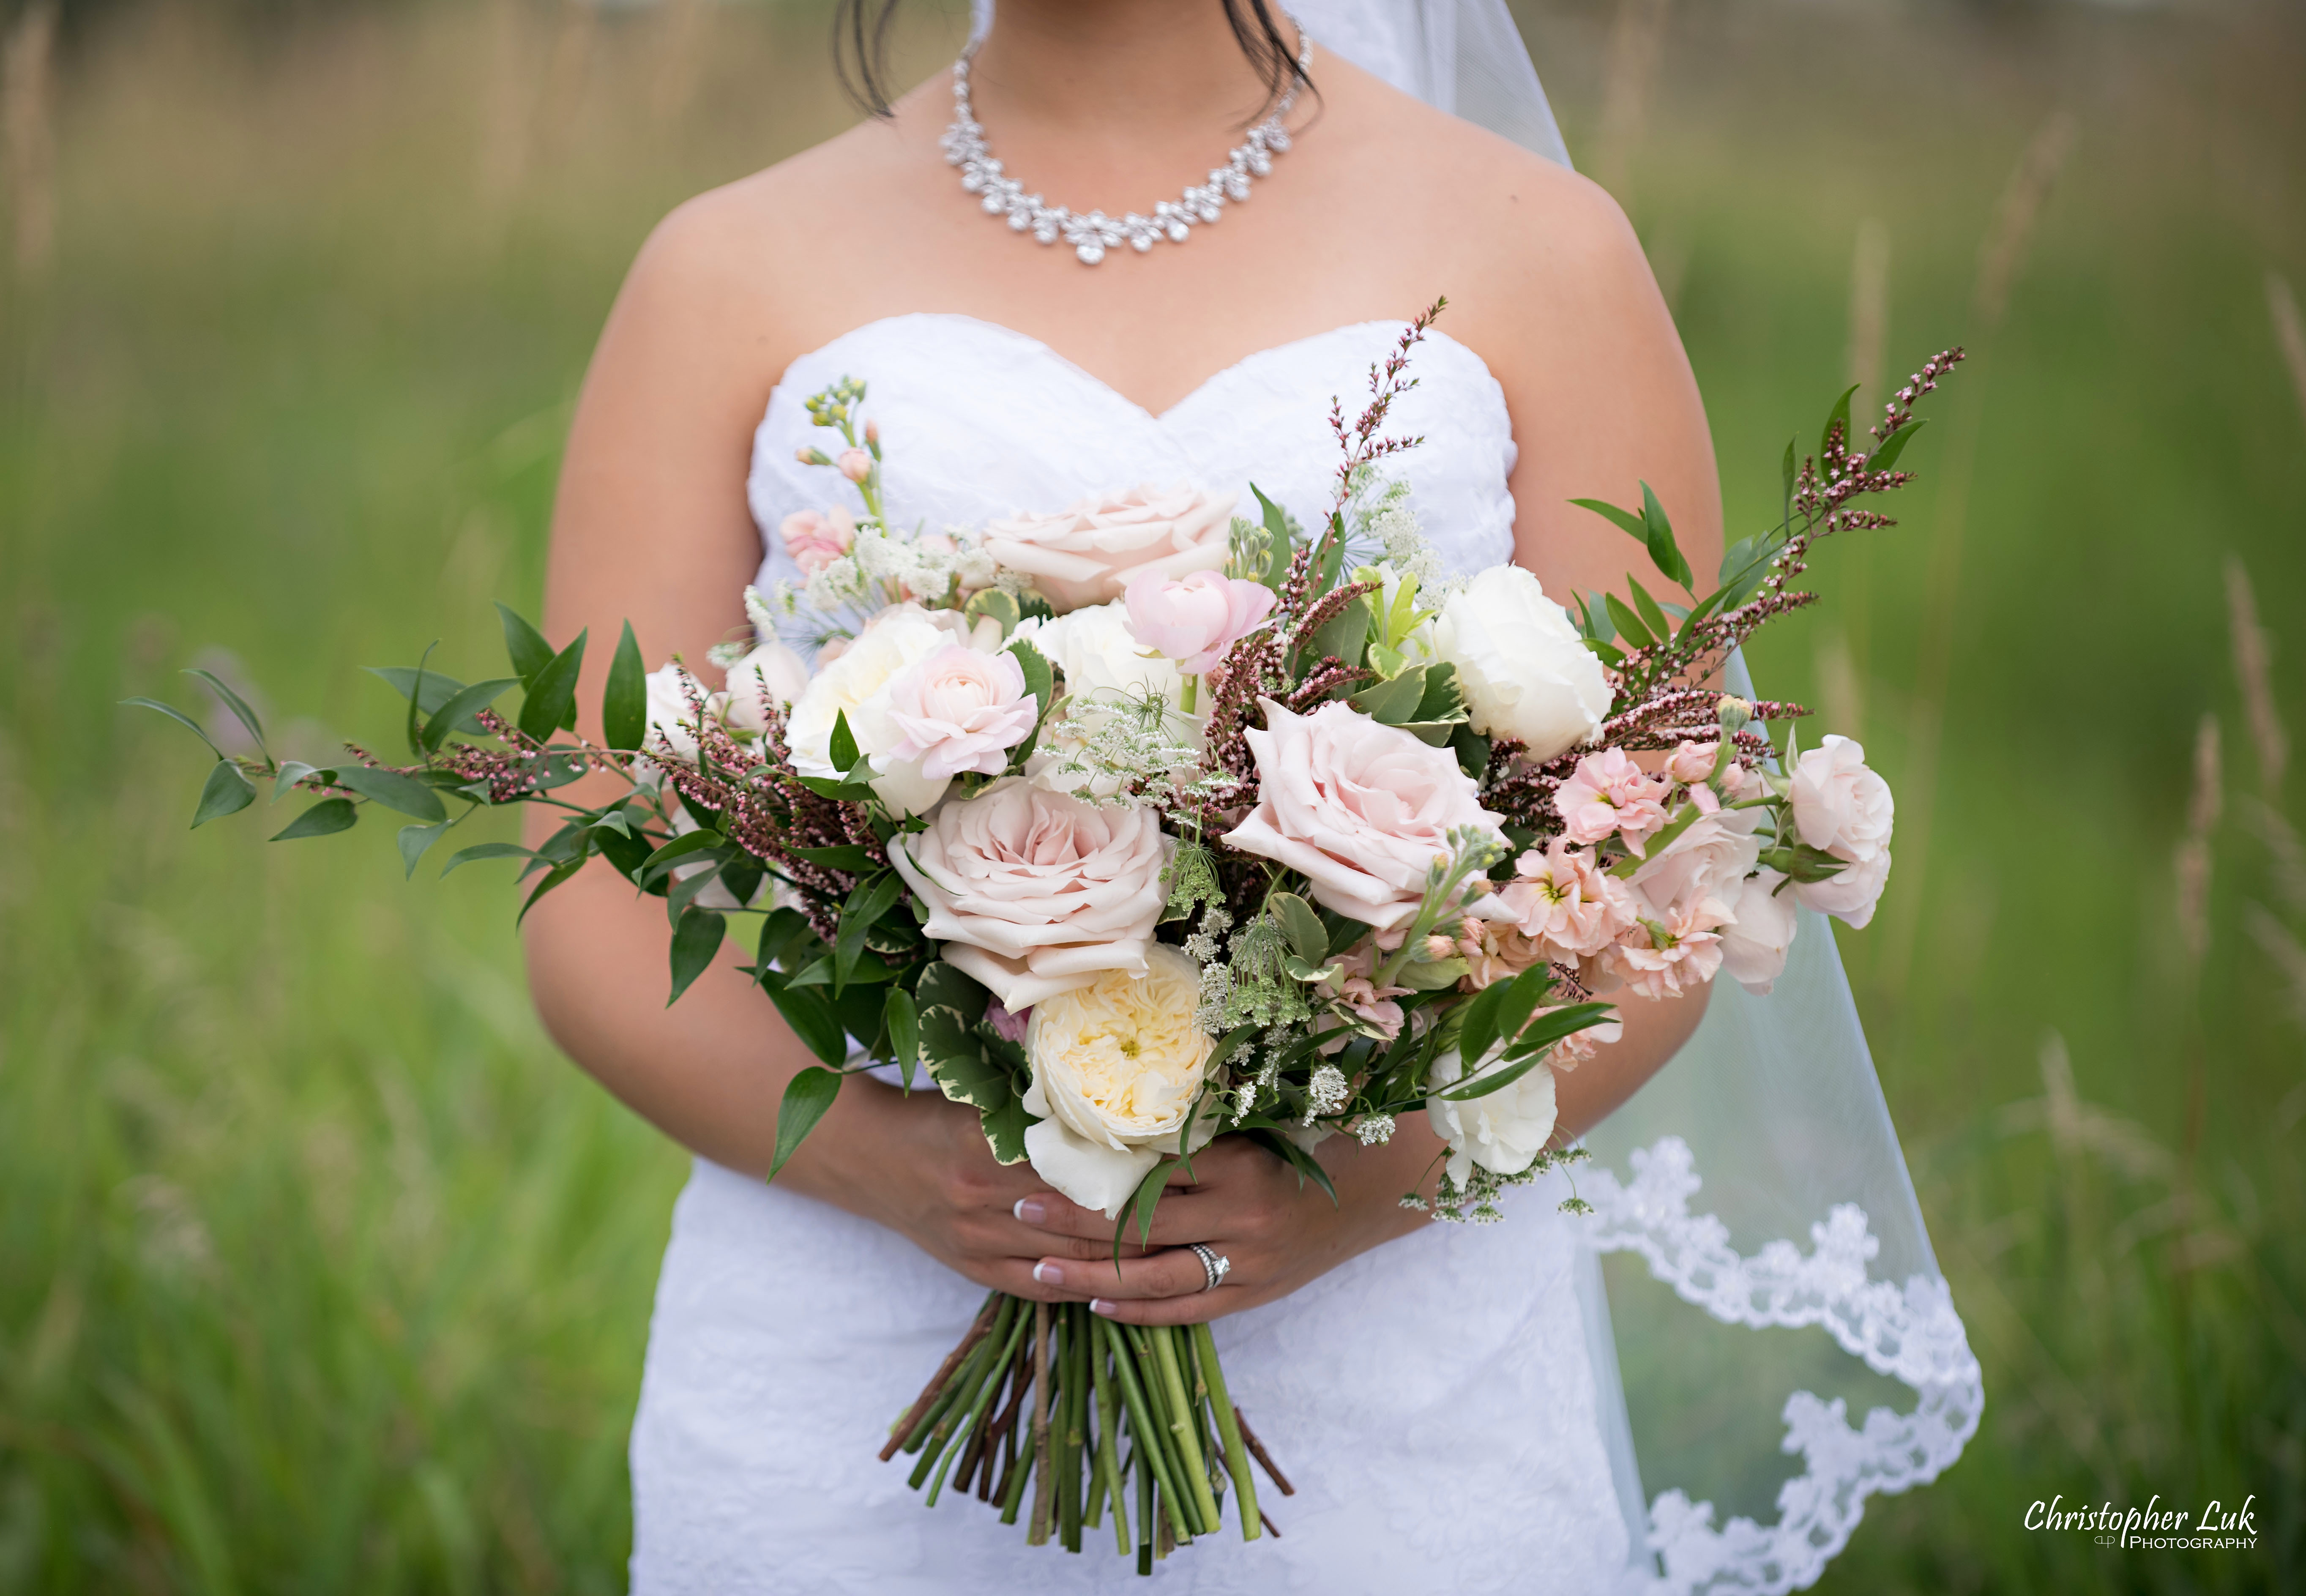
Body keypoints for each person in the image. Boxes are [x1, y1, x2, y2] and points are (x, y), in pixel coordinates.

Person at [522, 3, 1974, 1590]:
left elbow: (1655, 875)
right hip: (836, 1354)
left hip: (1393, 1388)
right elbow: (590, 899)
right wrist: (905, 1171)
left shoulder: (1539, 248)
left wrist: (1361, 1190)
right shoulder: (722, 267)